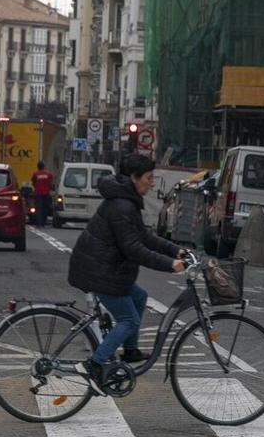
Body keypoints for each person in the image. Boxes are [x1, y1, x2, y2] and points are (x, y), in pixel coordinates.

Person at [68, 154, 186, 390]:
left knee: (139, 297)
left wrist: (176, 250)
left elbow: (144, 236)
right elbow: (133, 248)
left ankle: (130, 351)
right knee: (129, 320)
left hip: (106, 269)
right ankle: (94, 364)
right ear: (134, 178)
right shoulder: (123, 205)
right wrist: (169, 264)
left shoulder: (126, 201)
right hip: (100, 272)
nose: (152, 183)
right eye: (149, 178)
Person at [30, 161, 55, 227]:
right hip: (46, 193)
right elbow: (51, 183)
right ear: (43, 166)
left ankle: (39, 223)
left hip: (38, 193)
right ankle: (43, 222)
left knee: (39, 208)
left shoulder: (35, 174)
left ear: (38, 167)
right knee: (45, 208)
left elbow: (33, 182)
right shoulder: (48, 174)